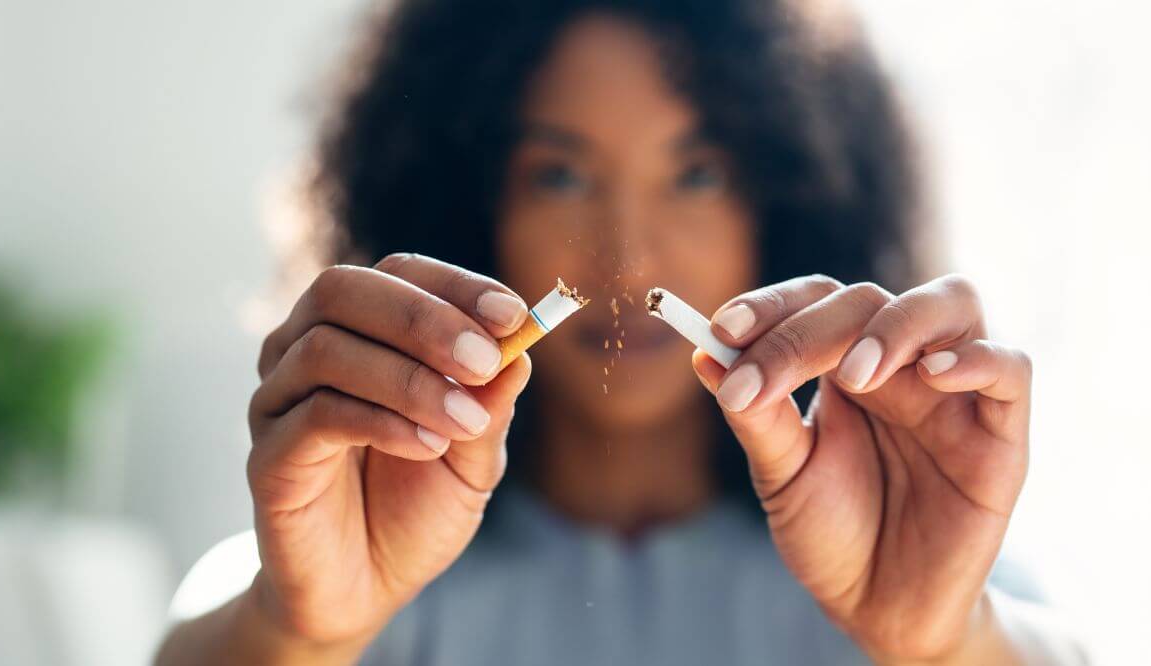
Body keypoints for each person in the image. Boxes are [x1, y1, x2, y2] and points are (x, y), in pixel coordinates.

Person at [157, 0, 1087, 663]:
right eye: (559, 176)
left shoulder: (924, 562)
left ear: (787, 204)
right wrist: (300, 636)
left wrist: (940, 646)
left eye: (698, 175)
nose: (628, 263)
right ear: (469, 209)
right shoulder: (328, 565)